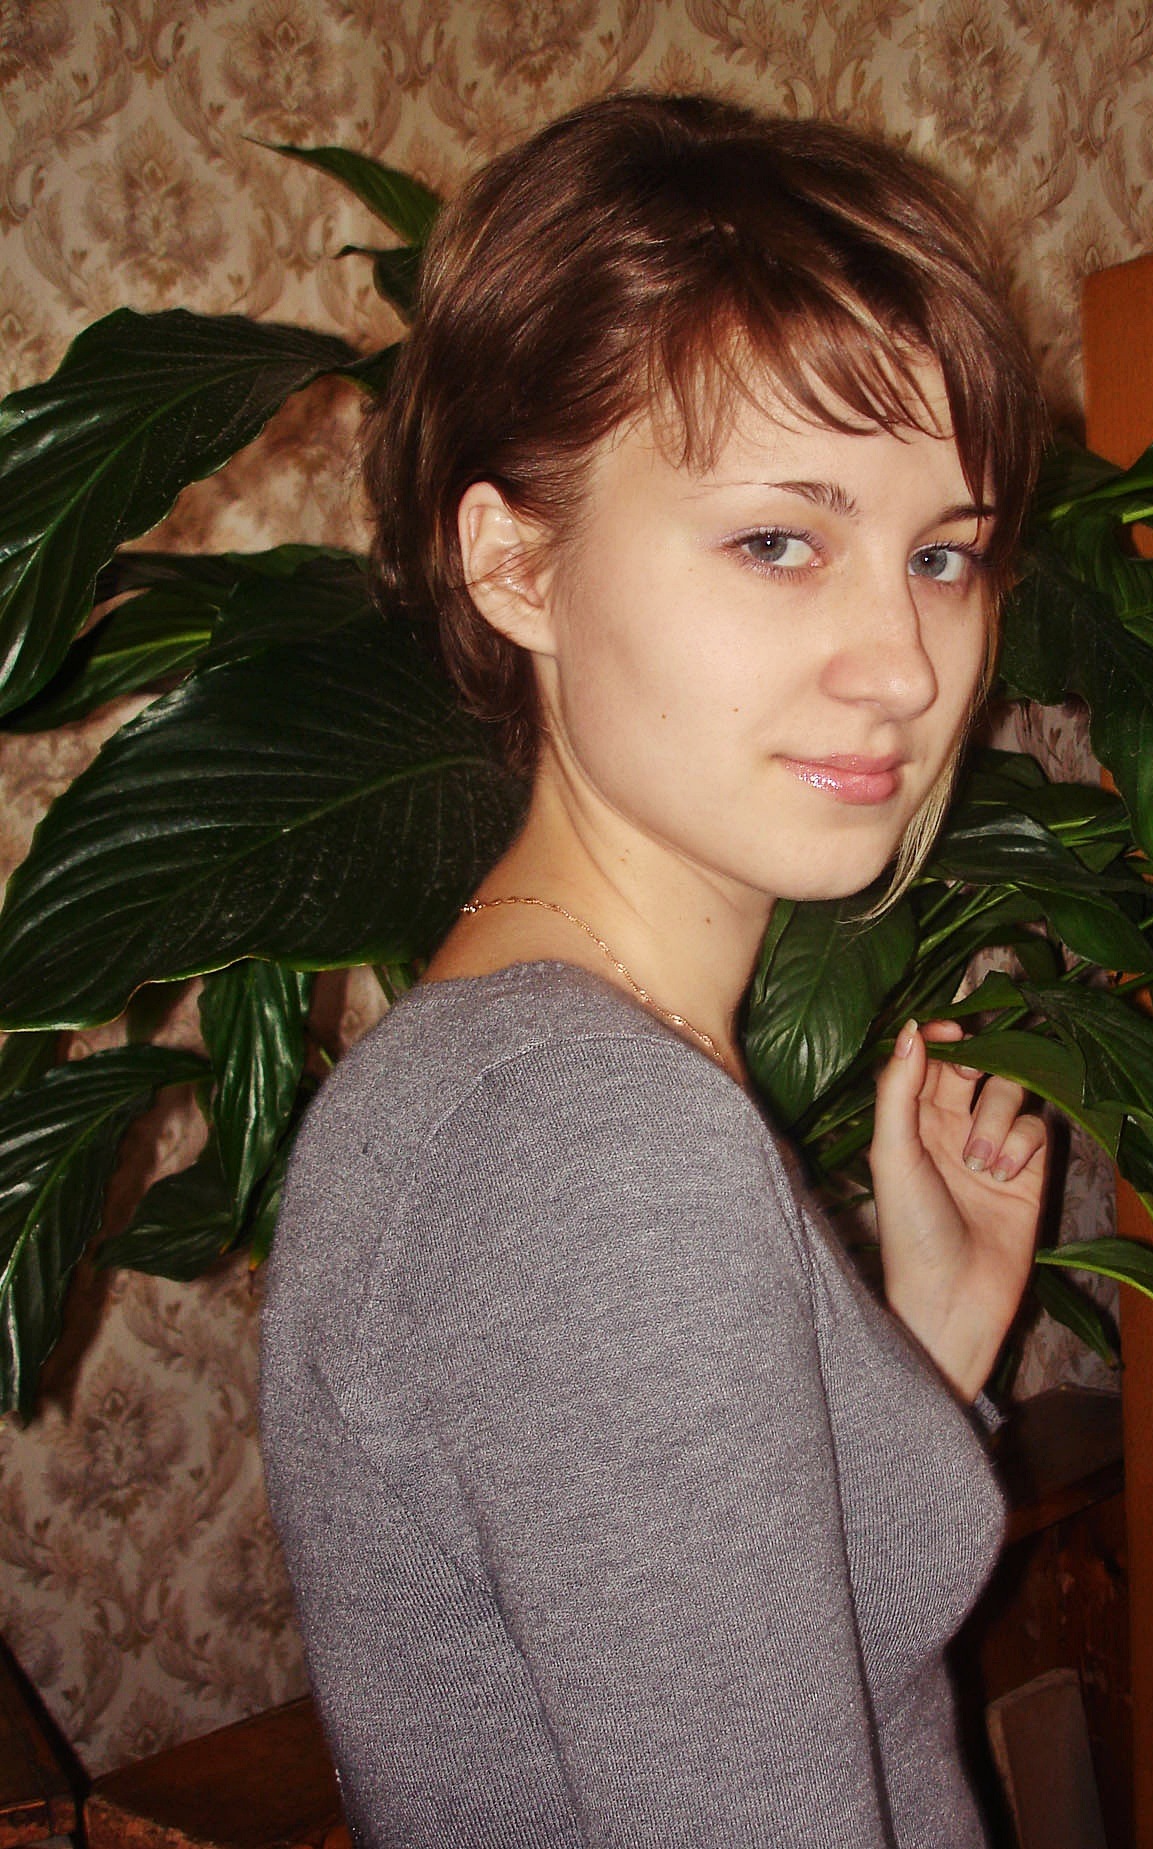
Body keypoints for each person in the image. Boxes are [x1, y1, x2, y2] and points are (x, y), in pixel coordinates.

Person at [260, 92, 1050, 1849]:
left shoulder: (532, 1078)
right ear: (515, 561)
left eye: (943, 555)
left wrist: (927, 1348)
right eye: (780, 539)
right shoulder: (592, 1144)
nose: (907, 666)